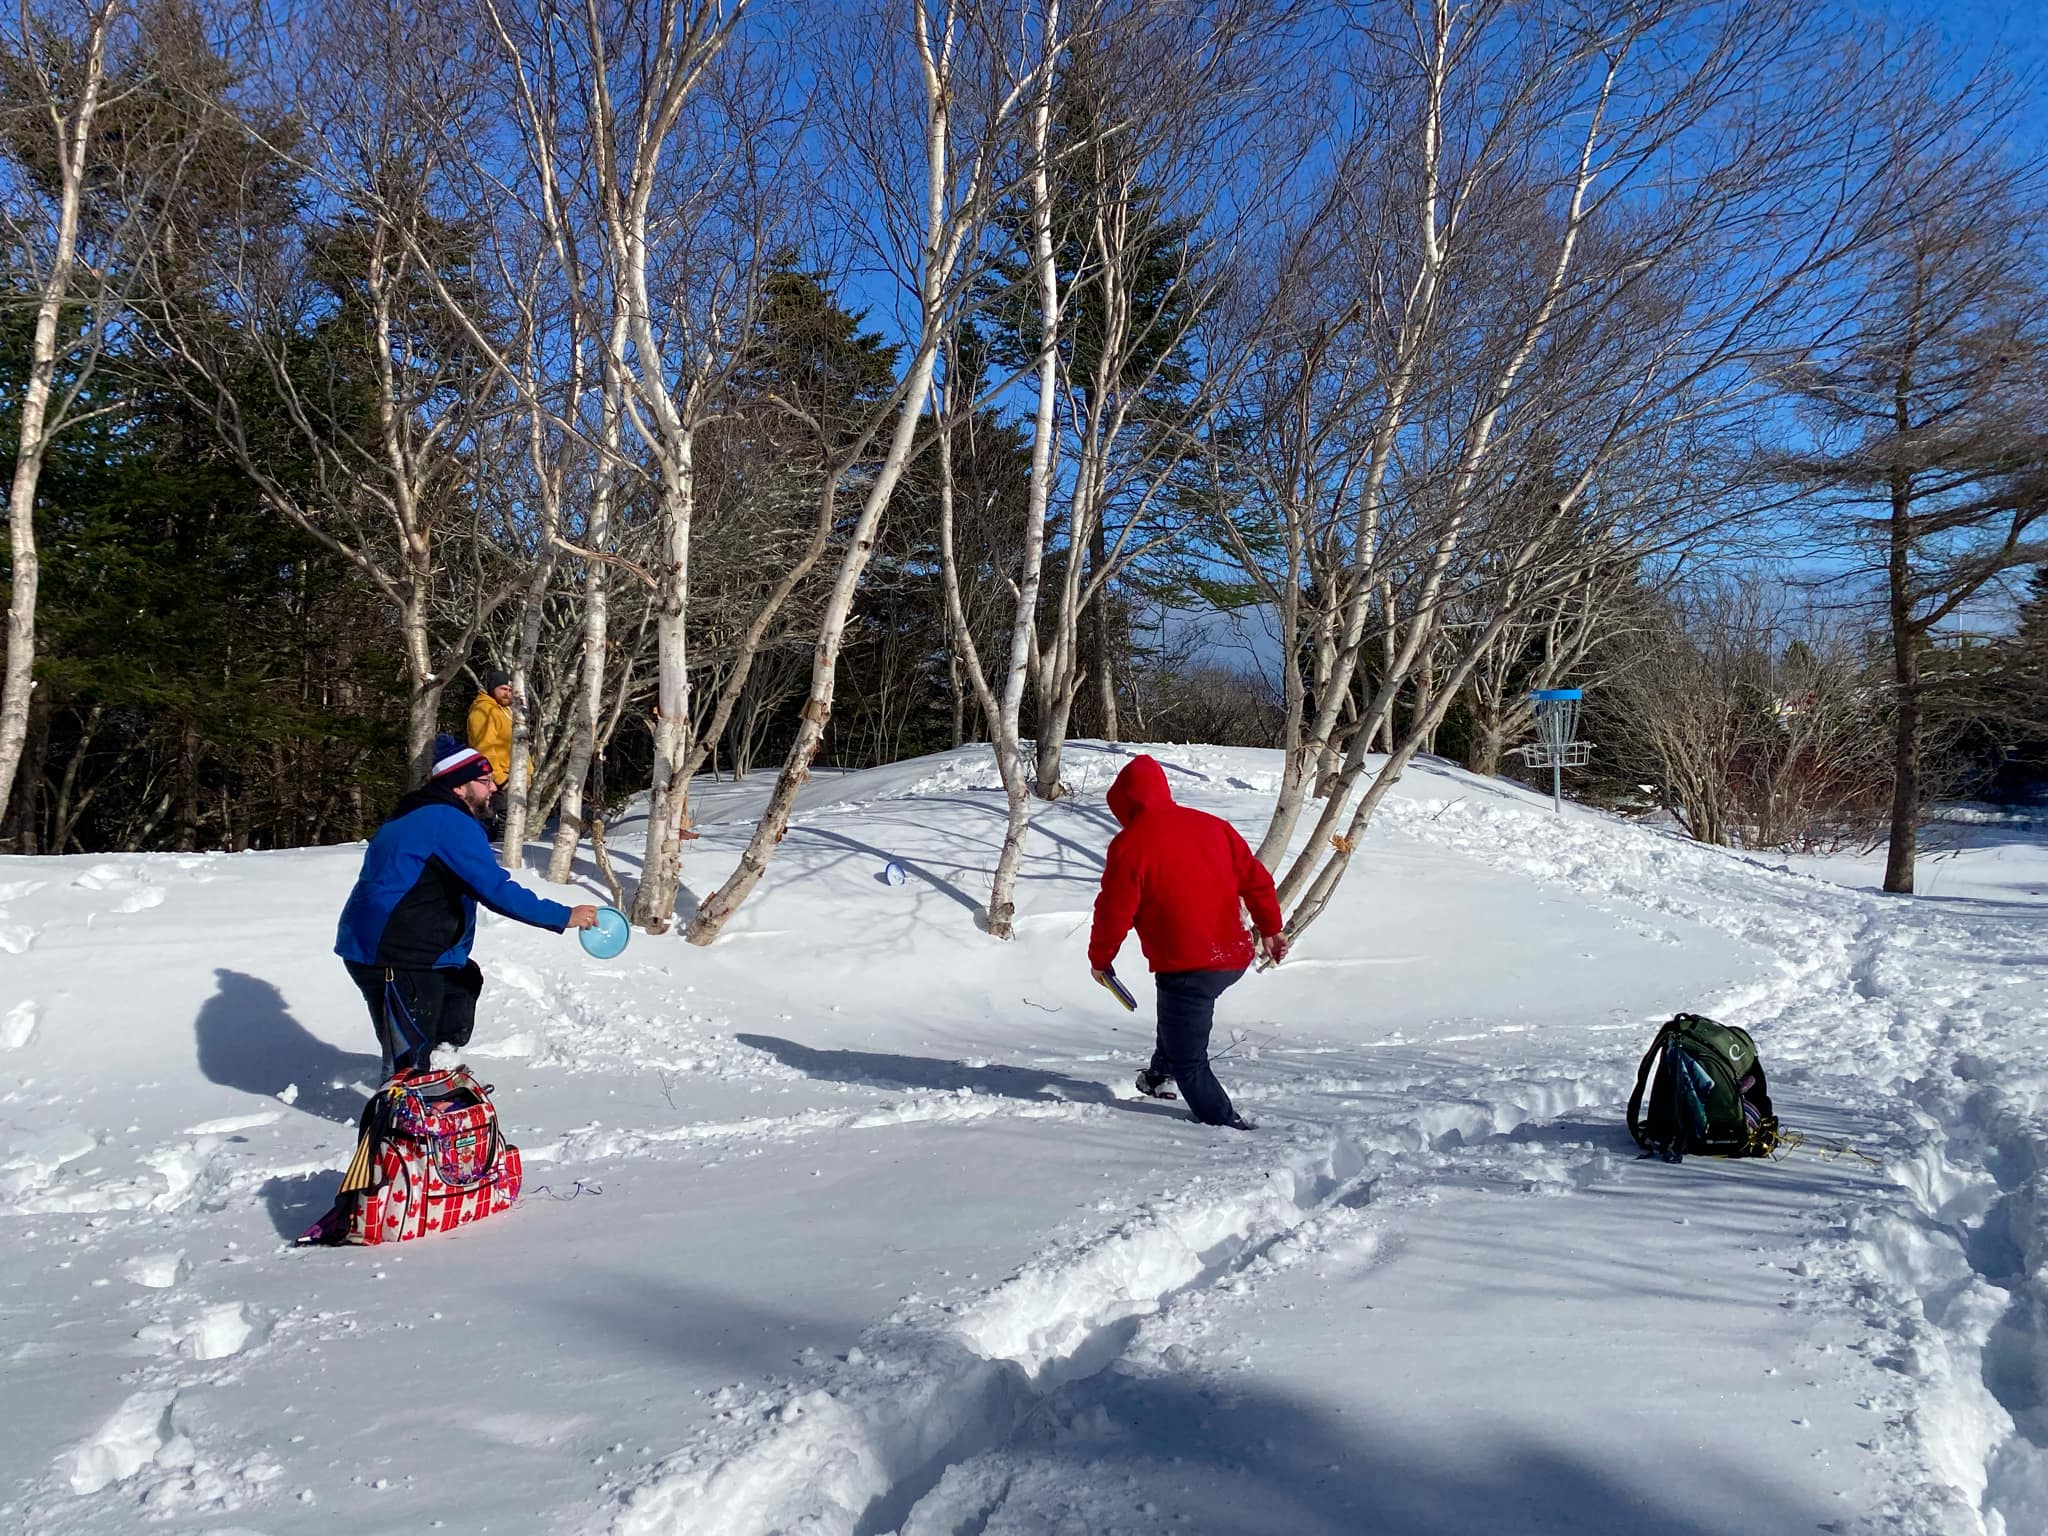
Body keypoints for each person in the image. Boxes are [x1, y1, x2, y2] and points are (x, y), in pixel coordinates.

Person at [336, 735, 597, 1078]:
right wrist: (563, 916)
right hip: (396, 953)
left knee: (462, 981)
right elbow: (494, 889)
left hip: (389, 947)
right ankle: (406, 1118)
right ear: (459, 786)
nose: (493, 788)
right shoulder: (447, 822)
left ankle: (437, 1069)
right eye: (484, 781)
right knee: (409, 1061)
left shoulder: (420, 812)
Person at [1088, 754, 1288, 1130]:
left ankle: (1228, 1125)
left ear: (1124, 803)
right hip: (1232, 956)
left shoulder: (1130, 845)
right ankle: (1158, 1076)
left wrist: (1100, 959)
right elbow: (1257, 882)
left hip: (1189, 965)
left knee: (1189, 1060)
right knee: (1176, 1011)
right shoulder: (1215, 827)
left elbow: (1113, 912)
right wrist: (1272, 929)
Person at [467, 668, 515, 836]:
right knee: (502, 824)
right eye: (503, 689)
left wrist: (528, 773)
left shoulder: (506, 712)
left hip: (514, 777)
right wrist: (501, 778)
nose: (507, 693)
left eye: (510, 690)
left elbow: (517, 745)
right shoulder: (483, 710)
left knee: (513, 826)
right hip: (494, 781)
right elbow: (484, 747)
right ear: (492, 688)